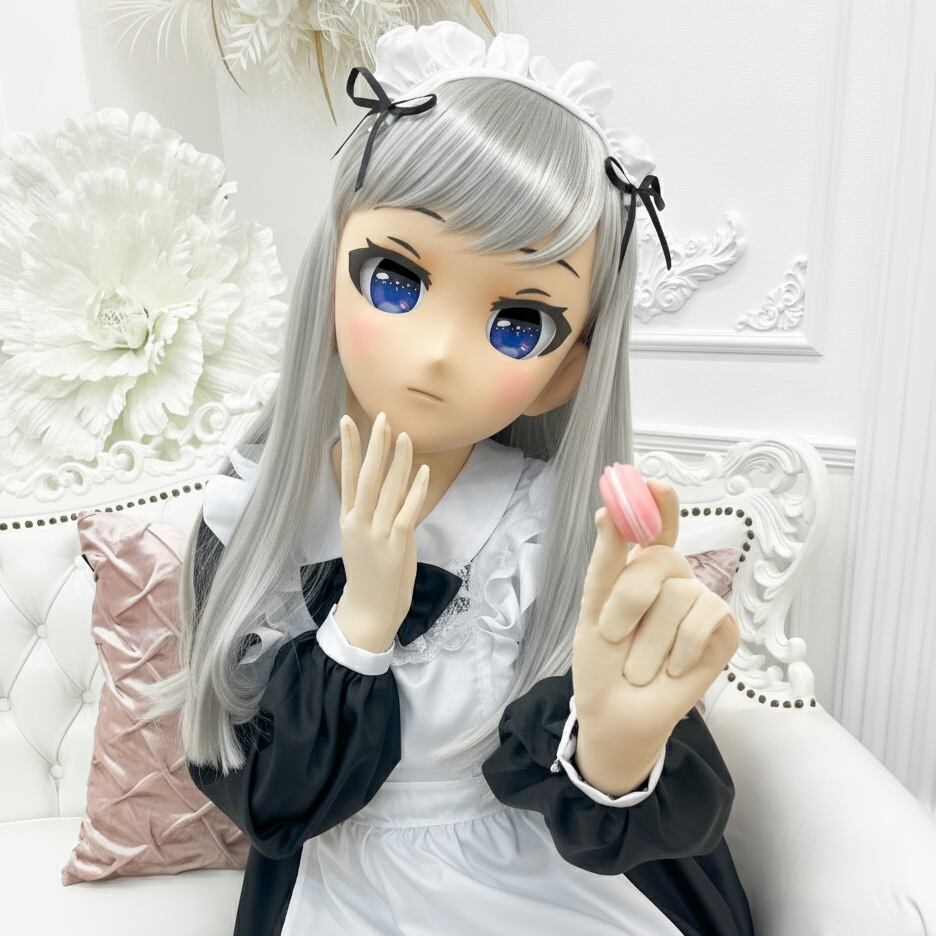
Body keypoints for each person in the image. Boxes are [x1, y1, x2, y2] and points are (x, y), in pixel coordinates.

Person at [147, 20, 756, 936]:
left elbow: (618, 767)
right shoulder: (254, 515)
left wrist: (616, 751)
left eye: (517, 323)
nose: (437, 351)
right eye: (396, 278)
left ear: (567, 368)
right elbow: (268, 801)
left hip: (547, 888)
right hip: (346, 892)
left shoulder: (548, 527)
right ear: (331, 269)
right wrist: (362, 622)